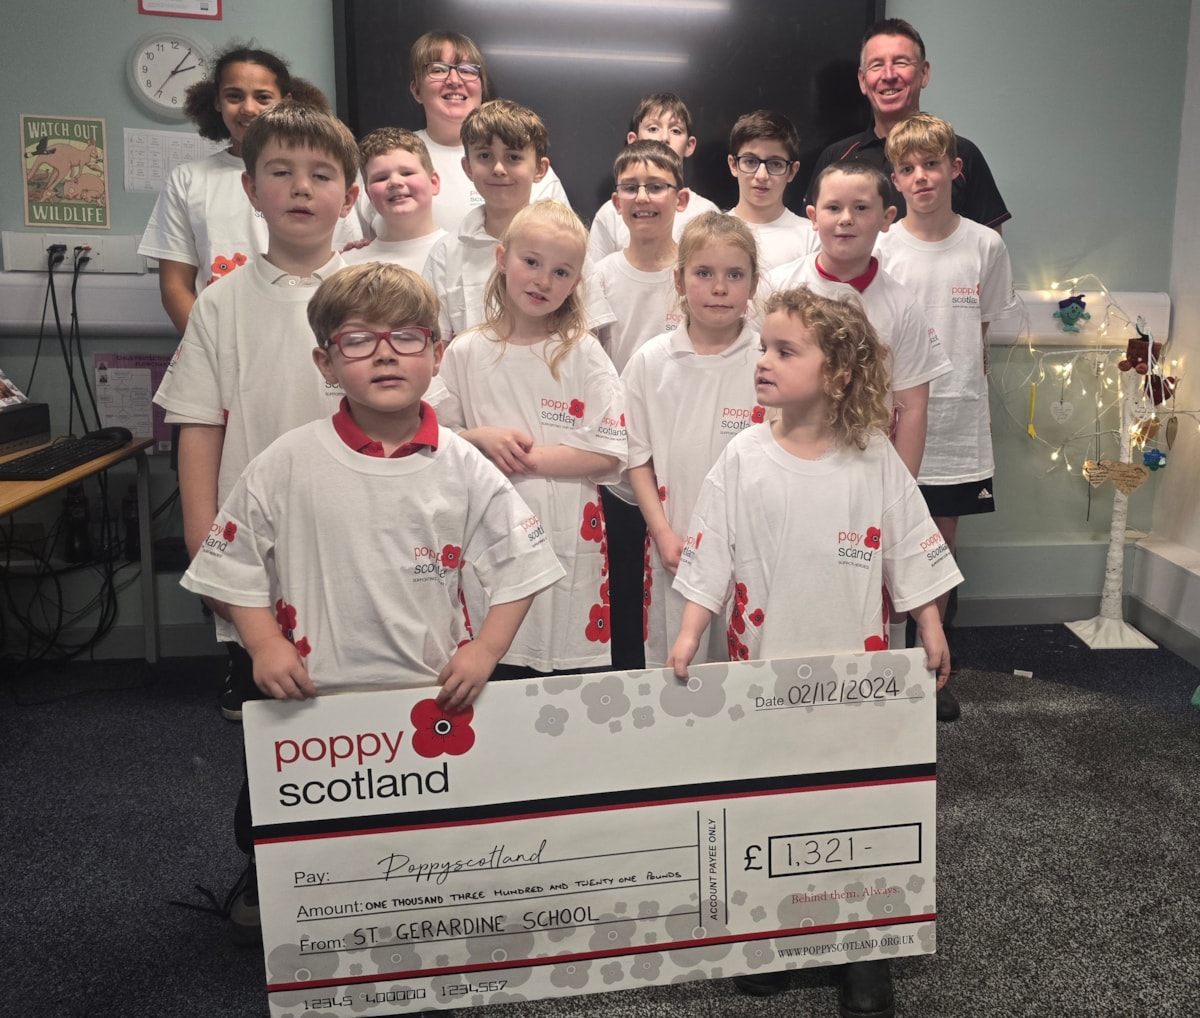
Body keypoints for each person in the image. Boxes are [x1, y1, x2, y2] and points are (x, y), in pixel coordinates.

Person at [180, 262, 564, 942]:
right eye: (358, 339)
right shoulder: (287, 461)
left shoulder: (463, 465)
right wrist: (263, 641)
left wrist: (487, 649)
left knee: (425, 856)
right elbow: (228, 563)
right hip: (311, 706)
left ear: (437, 356)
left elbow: (524, 562)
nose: (385, 352)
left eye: (407, 337)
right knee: (323, 857)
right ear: (326, 360)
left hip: (429, 702)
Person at [668, 285, 962, 1018]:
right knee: (769, 812)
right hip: (764, 678)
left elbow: (912, 547)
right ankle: (770, 938)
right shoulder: (742, 457)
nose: (762, 360)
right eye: (761, 347)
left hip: (859, 689)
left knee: (858, 814)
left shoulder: (873, 460)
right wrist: (689, 630)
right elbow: (711, 554)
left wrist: (929, 621)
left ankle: (865, 953)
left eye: (784, 350)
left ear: (837, 374)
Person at [153, 100, 361, 742]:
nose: (301, 187)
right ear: (250, 188)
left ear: (350, 197)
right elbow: (197, 427)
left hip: (363, 542)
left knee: (375, 735)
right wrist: (204, 545)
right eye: (281, 171)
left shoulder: (373, 293)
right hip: (259, 550)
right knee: (278, 739)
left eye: (321, 175)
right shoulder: (220, 304)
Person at [766, 160, 954, 715]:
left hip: (866, 478)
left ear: (886, 218)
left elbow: (912, 407)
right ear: (812, 217)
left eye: (861, 208)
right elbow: (761, 389)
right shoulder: (780, 287)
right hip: (790, 472)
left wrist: (899, 492)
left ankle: (868, 719)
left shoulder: (901, 303)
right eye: (832, 208)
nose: (845, 219)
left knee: (864, 596)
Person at [437, 201, 626, 676]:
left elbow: (607, 452)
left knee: (565, 671)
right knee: (492, 665)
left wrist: (527, 459)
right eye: (532, 262)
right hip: (486, 527)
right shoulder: (465, 351)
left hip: (566, 530)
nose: (543, 280)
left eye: (561, 271)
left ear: (577, 282)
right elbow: (434, 438)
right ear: (502, 259)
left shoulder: (582, 353)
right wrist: (478, 438)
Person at [876, 112, 1018, 718]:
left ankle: (934, 675)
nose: (921, 177)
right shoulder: (883, 246)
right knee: (884, 541)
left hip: (957, 421)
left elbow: (980, 331)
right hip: (892, 421)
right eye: (907, 169)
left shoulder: (986, 245)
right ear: (895, 180)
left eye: (931, 164)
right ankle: (884, 668)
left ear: (954, 169)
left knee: (939, 548)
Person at [138, 43, 362, 336]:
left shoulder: (326, 180)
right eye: (234, 96)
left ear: (286, 101)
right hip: (222, 333)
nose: (248, 108)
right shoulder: (188, 179)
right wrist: (209, 348)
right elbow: (174, 286)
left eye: (263, 97)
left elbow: (348, 264)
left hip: (312, 333)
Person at [623, 212, 761, 668]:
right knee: (681, 666)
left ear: (753, 284)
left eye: (734, 275)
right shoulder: (651, 362)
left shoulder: (769, 359)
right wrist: (661, 532)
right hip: (677, 546)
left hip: (756, 546)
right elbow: (636, 458)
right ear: (679, 281)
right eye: (704, 273)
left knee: (751, 671)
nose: (719, 288)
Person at [592, 139, 691, 670]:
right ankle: (629, 683)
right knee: (626, 576)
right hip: (620, 459)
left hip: (687, 451)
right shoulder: (600, 276)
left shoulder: (698, 273)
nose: (643, 196)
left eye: (656, 186)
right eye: (632, 187)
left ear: (682, 198)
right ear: (615, 201)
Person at [423, 99, 612, 342]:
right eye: (484, 156)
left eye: (513, 157)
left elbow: (589, 335)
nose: (499, 168)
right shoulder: (445, 255)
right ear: (468, 167)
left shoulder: (569, 247)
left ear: (540, 169)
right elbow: (438, 346)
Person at [804, 18, 1010, 230]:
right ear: (863, 81)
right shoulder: (835, 158)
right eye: (877, 65)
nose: (889, 75)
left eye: (901, 62)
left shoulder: (960, 153)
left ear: (924, 73)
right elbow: (816, 241)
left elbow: (989, 249)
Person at [406, 30, 569, 233]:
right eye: (438, 69)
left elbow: (565, 242)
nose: (454, 80)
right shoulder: (393, 157)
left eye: (467, 70)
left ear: (482, 88)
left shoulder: (529, 162)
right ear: (416, 90)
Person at [587, 92, 720, 262]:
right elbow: (592, 279)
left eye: (676, 130)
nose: (664, 138)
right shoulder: (610, 214)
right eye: (653, 129)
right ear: (633, 140)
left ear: (689, 145)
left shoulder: (706, 214)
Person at [342, 127, 447, 271]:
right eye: (381, 178)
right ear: (368, 195)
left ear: (434, 183)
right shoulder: (348, 264)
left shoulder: (462, 252)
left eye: (407, 173)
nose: (395, 182)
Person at [727, 110, 817, 271]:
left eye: (775, 164)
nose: (762, 176)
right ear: (733, 165)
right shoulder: (710, 234)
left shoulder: (812, 237)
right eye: (750, 162)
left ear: (792, 171)